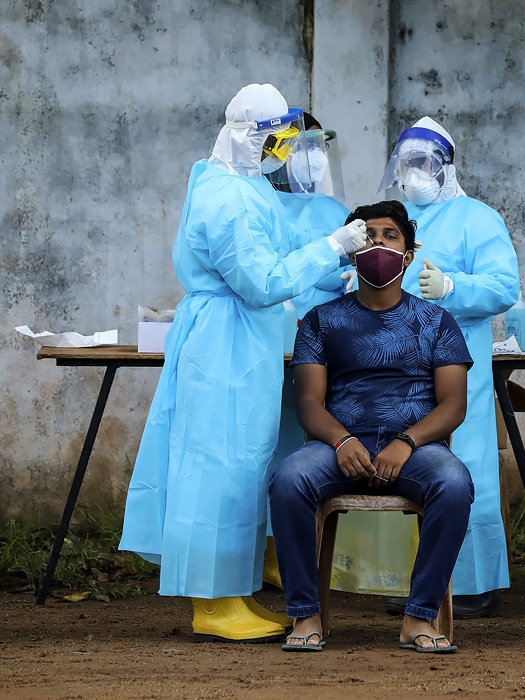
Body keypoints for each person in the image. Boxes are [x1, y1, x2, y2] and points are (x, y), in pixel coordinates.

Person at [119, 84, 367, 643]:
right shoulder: (226, 198)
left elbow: (274, 259)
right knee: (216, 465)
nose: (283, 150)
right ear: (248, 136)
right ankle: (212, 602)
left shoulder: (240, 183)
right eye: (275, 139)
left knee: (243, 464)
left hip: (241, 341)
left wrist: (335, 273)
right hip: (224, 342)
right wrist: (331, 248)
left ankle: (235, 589)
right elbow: (259, 283)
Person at [331, 117, 520, 618]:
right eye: (407, 162)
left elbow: (504, 285)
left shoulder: (478, 219)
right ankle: (399, 580)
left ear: (447, 167)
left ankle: (473, 584)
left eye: (425, 163)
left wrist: (456, 289)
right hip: (389, 363)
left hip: (453, 360)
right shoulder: (391, 219)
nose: (414, 173)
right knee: (396, 462)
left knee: (465, 462)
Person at [269, 201, 474, 653]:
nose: (378, 242)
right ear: (350, 250)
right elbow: (307, 401)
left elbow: (453, 404)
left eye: (390, 235)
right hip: (338, 447)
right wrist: (340, 439)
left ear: (408, 254)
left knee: (455, 484)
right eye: (368, 235)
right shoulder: (321, 321)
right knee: (288, 479)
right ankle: (305, 616)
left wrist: (406, 442)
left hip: (416, 449)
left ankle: (418, 618)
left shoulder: (438, 322)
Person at [263, 112, 354, 589]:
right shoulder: (257, 204)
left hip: (324, 351)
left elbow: (353, 276)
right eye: (304, 148)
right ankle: (257, 551)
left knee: (304, 447)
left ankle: (292, 552)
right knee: (263, 447)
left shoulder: (333, 210)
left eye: (320, 147)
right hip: (266, 346)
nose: (315, 158)